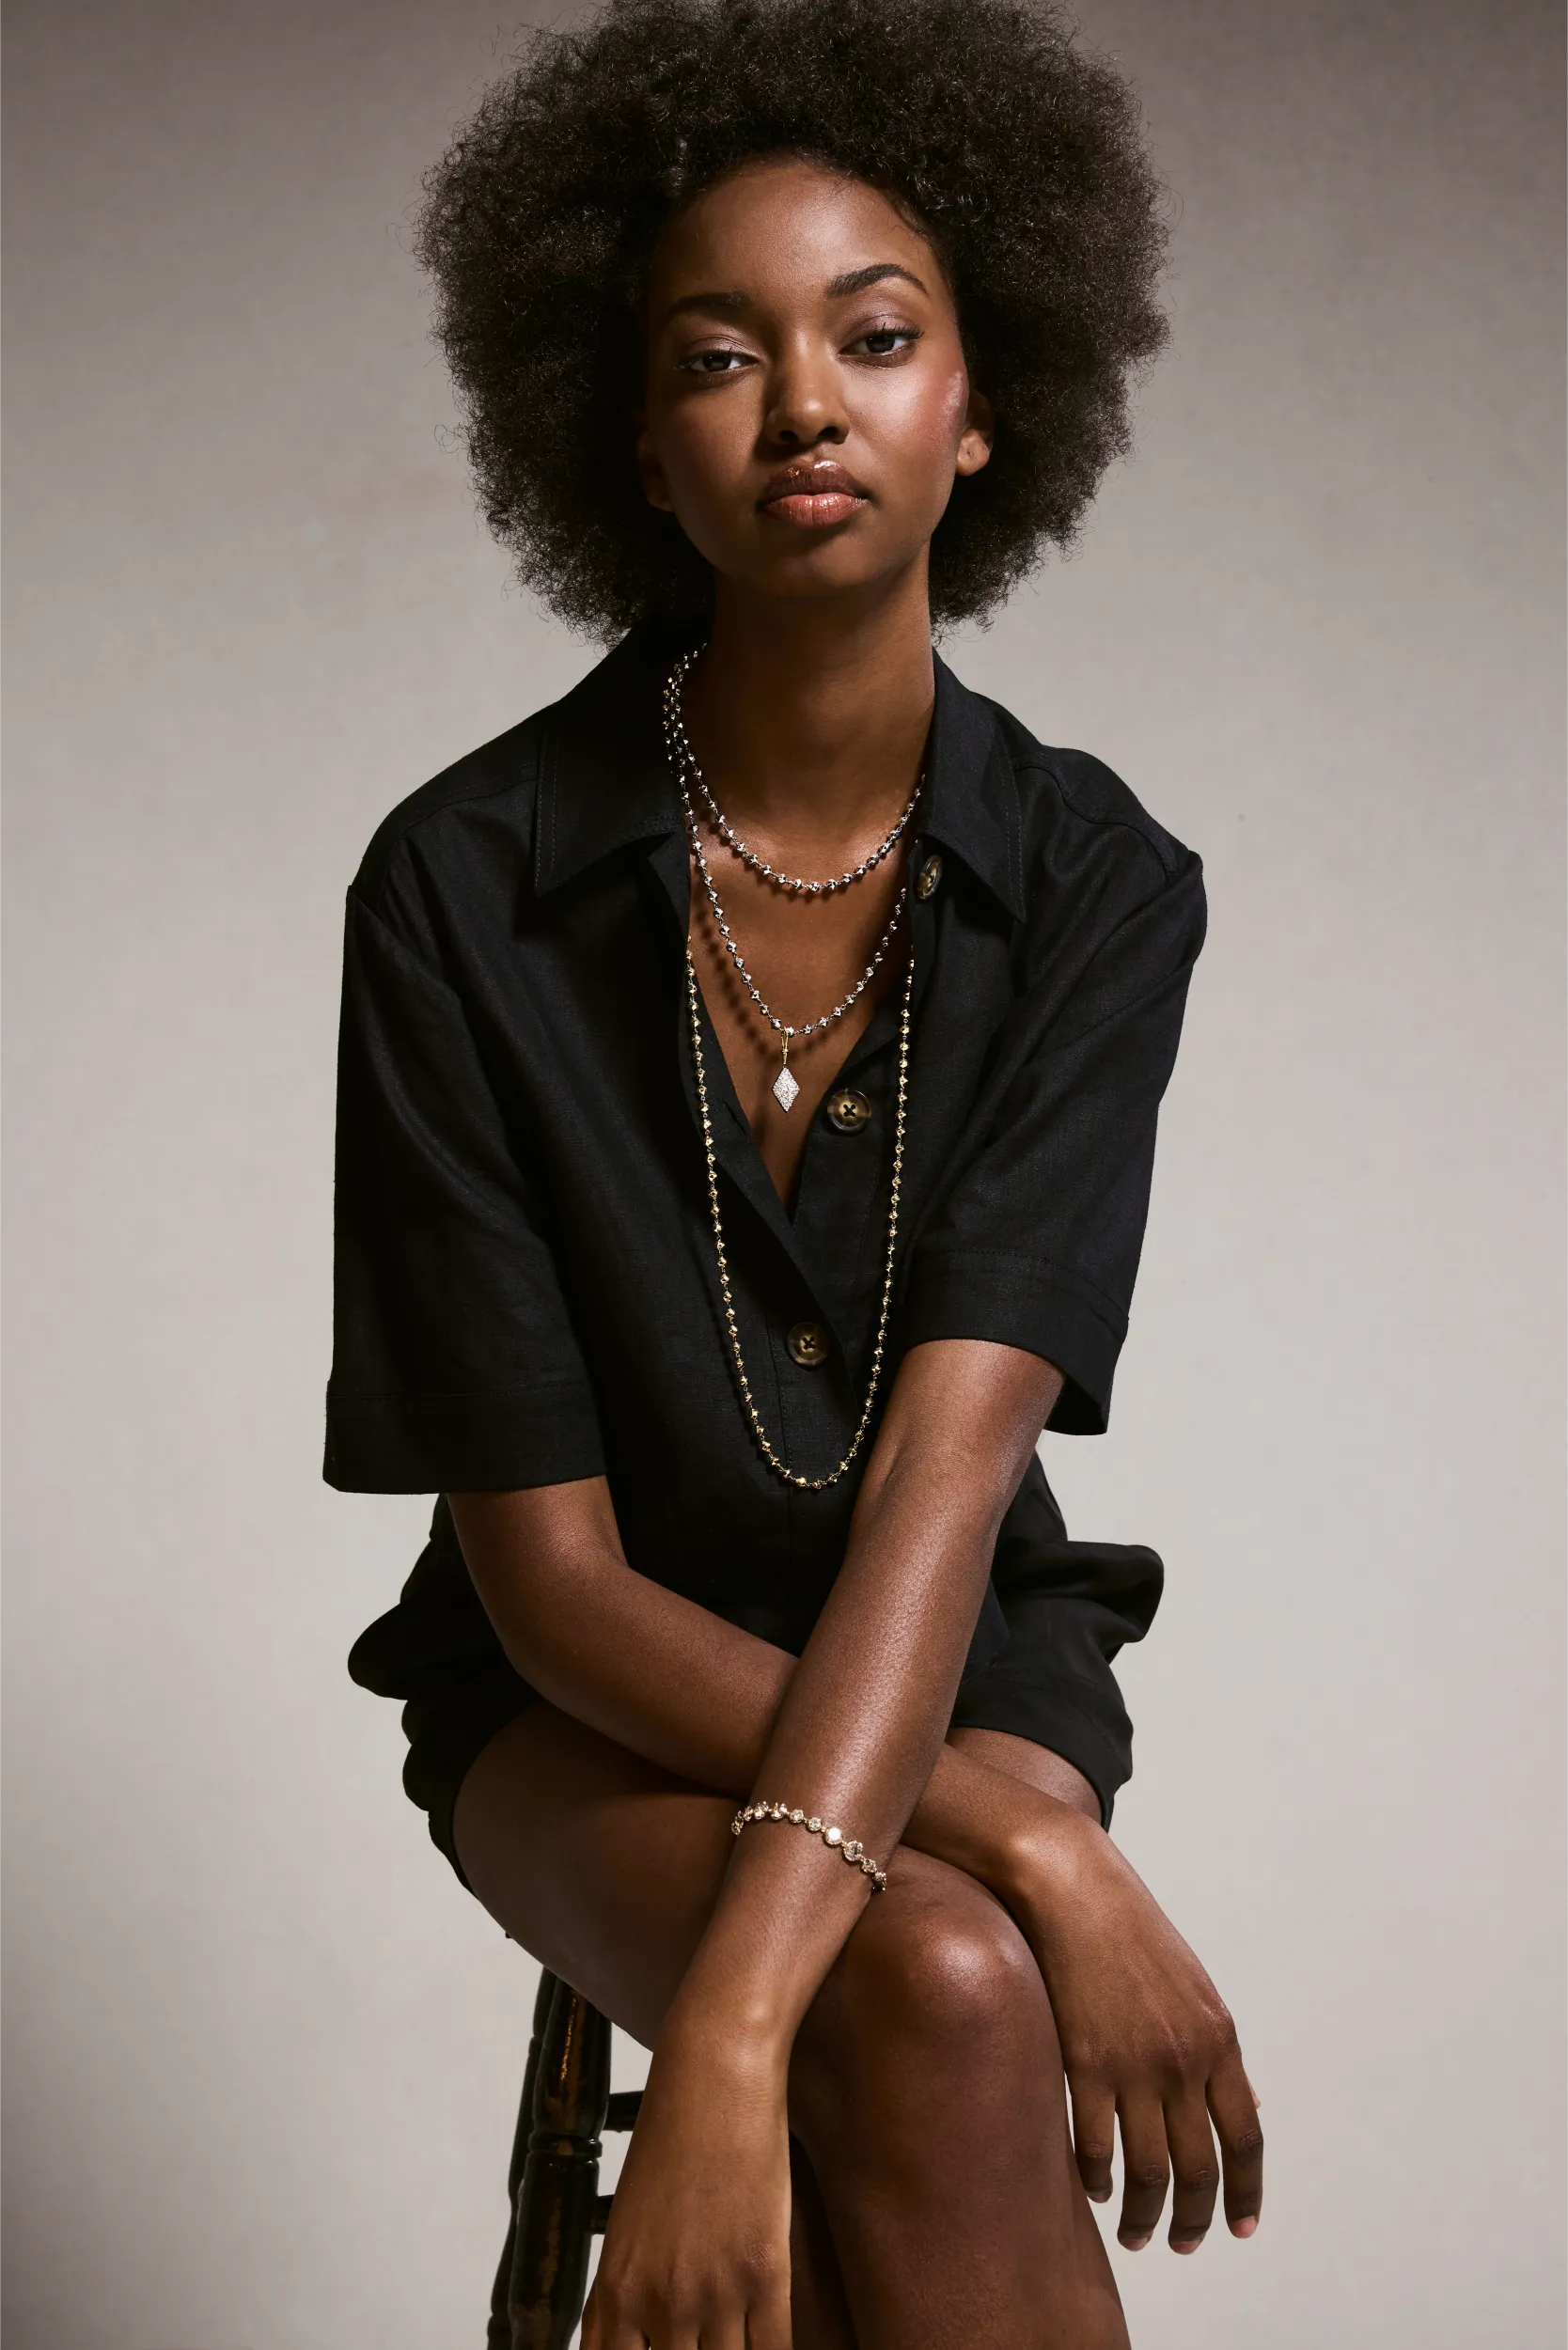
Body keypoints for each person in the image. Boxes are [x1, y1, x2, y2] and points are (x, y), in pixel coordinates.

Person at [325, 1, 1262, 2342]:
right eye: (720, 355)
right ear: (639, 443)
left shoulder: (1101, 882)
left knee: (919, 1992)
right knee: (943, 1973)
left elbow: (950, 1486)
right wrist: (996, 1858)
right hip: (581, 1688)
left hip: (961, 1644)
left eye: (875, 335)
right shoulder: (458, 889)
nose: (808, 404)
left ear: (983, 403)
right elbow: (542, 1587)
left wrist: (784, 1978)